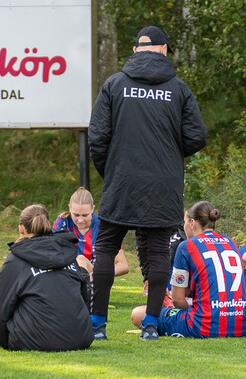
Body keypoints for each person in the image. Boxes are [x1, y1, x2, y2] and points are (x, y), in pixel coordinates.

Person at [87, 25, 207, 341]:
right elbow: (197, 136)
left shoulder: (114, 85)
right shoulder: (178, 89)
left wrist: (111, 172)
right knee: (157, 254)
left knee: (106, 248)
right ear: (164, 50)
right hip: (163, 186)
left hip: (121, 182)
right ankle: (151, 324)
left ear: (136, 50)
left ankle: (97, 325)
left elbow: (97, 137)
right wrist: (168, 154)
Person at [0, 204, 93, 352]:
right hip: (81, 337)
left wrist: (5, 341)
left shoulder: (14, 261)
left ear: (21, 229)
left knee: (10, 315)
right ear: (48, 225)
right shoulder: (67, 252)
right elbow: (84, 296)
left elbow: (5, 307)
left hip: (36, 340)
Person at [130, 201, 246, 338]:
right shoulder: (230, 242)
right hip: (242, 325)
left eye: (184, 222)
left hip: (205, 326)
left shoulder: (186, 246)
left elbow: (177, 300)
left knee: (138, 314)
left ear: (192, 223)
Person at [53, 187, 127, 278]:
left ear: (92, 209)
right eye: (76, 215)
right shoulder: (62, 222)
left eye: (85, 215)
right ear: (69, 208)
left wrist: (95, 275)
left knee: (81, 260)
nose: (80, 220)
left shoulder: (102, 226)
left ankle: (84, 282)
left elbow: (123, 265)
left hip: (93, 275)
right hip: (68, 274)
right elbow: (51, 252)